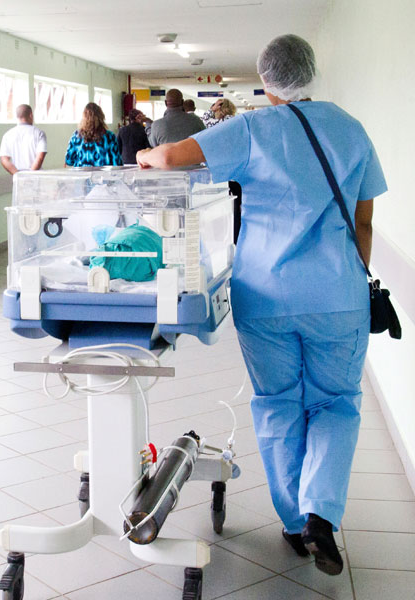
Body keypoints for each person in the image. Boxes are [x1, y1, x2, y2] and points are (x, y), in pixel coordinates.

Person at [136, 34, 386, 576]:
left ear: (265, 79)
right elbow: (364, 223)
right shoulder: (351, 128)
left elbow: (173, 157)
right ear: (311, 72)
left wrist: (145, 150)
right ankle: (322, 513)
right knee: (335, 403)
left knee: (277, 403)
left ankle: (296, 525)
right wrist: (346, 274)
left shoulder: (252, 128)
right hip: (338, 297)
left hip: (266, 295)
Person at [64, 102, 123, 167]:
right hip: (103, 176)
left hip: (81, 175)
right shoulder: (109, 137)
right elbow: (117, 163)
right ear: (101, 117)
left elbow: (69, 160)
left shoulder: (76, 136)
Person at [0, 104, 47, 175]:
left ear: (17, 116)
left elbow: (4, 160)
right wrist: (29, 176)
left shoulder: (7, 135)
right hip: (35, 178)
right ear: (31, 115)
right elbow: (40, 157)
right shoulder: (39, 133)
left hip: (18, 181)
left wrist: (18, 175)